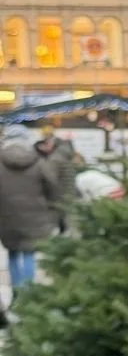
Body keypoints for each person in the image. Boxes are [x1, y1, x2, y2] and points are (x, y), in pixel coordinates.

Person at [0, 123, 60, 290]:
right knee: (29, 253)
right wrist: (53, 209)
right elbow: (52, 186)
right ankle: (28, 292)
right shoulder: (38, 161)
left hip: (7, 217)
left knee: (12, 252)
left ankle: (17, 291)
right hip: (36, 217)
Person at [34, 127, 77, 232]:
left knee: (62, 225)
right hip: (68, 194)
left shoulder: (55, 158)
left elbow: (49, 178)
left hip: (59, 196)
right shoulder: (65, 153)